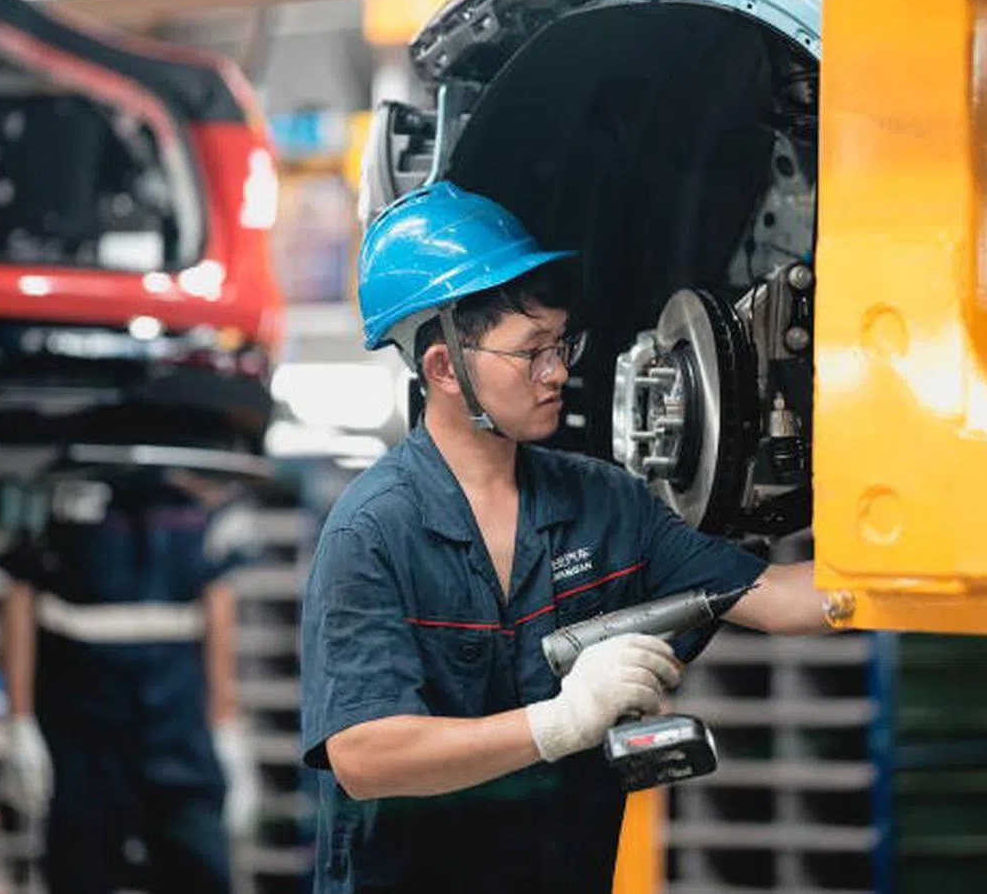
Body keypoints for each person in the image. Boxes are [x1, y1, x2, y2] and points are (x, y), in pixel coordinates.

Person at [300, 180, 834, 894]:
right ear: (442, 368)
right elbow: (366, 757)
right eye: (531, 353)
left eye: (561, 344)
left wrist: (933, 555)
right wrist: (560, 723)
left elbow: (780, 599)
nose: (558, 373)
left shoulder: (602, 502)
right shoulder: (373, 533)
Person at [0, 469, 262, 894]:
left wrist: (227, 728)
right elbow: (20, 590)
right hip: (81, 717)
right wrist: (20, 718)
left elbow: (218, 605)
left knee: (200, 869)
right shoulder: (53, 486)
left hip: (178, 724)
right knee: (81, 870)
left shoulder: (201, 486)